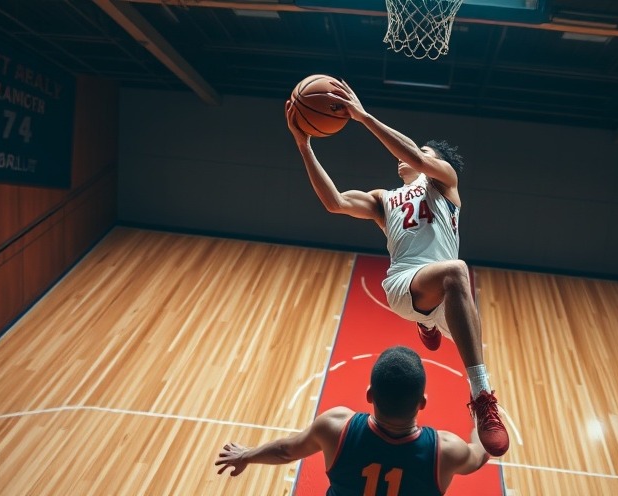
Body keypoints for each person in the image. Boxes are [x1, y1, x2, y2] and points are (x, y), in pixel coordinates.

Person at [284, 79, 509, 457]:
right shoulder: (384, 199)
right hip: (406, 283)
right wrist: (303, 144)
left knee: (460, 302)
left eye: (420, 151)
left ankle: (430, 321)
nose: (405, 155)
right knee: (456, 271)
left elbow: (421, 161)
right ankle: (482, 395)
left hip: (438, 296)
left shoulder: (445, 184)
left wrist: (363, 116)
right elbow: (335, 202)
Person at [215, 346, 490, 495]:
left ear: (370, 395)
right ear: (421, 403)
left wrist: (247, 455)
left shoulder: (336, 427)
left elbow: (285, 451)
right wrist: (484, 414)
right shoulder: (446, 450)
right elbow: (481, 452)